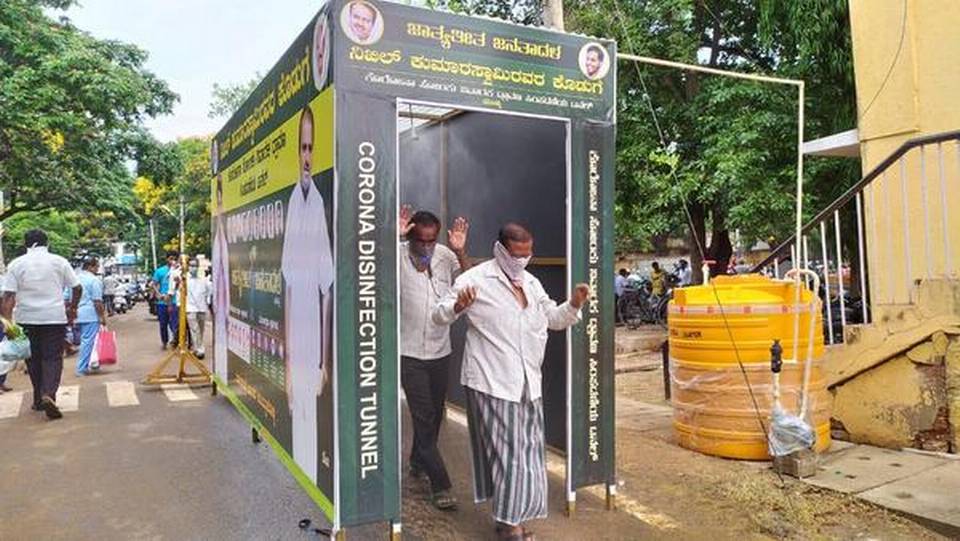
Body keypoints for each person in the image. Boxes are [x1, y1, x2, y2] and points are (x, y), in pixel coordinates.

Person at [433, 223, 589, 541]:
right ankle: (510, 528)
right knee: (511, 455)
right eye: (517, 254)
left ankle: (511, 516)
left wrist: (573, 304)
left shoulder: (531, 283)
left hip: (528, 381)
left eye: (528, 253)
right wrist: (458, 307)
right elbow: (439, 314)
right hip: (491, 380)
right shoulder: (475, 279)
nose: (523, 259)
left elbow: (554, 319)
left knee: (530, 452)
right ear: (501, 250)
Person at [398, 205, 470, 511]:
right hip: (409, 352)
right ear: (412, 235)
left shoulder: (445, 255)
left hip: (440, 352)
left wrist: (461, 251)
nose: (427, 246)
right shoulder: (397, 255)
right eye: (421, 240)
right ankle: (440, 485)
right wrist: (393, 238)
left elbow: (469, 281)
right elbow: (367, 269)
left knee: (434, 415)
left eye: (432, 240)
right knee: (423, 416)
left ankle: (417, 460)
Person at [281, 105, 334, 484]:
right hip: (295, 338)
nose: (306, 157)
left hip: (314, 336)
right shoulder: (293, 204)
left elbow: (327, 289)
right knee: (293, 406)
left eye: (311, 148)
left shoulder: (317, 204)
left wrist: (323, 362)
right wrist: (286, 362)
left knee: (309, 415)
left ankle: (311, 477)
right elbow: (287, 282)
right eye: (302, 147)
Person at [0, 229, 81, 420]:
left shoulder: (16, 264)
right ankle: (48, 394)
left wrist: (8, 322)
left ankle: (38, 399)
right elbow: (77, 287)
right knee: (52, 357)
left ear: (25, 244)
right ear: (47, 243)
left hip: (26, 318)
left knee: (33, 358)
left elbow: (8, 296)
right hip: (54, 317)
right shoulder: (59, 261)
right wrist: (73, 309)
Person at [74, 257, 107, 376]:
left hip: (76, 313)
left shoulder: (74, 278)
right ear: (90, 267)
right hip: (90, 315)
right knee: (87, 341)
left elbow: (67, 297)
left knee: (83, 340)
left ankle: (92, 363)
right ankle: (81, 368)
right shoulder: (94, 280)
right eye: (96, 266)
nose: (97, 269)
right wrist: (102, 317)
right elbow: (97, 301)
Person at [212, 175, 230, 381]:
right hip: (220, 309)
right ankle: (222, 377)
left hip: (224, 310)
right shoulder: (218, 238)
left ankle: (223, 376)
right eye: (217, 202)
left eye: (221, 201)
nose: (219, 207)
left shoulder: (225, 237)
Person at [151, 251, 180, 349]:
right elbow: (154, 284)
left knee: (175, 324)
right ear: (167, 259)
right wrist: (158, 294)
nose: (173, 261)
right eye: (171, 258)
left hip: (175, 301)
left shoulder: (179, 271)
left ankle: (175, 341)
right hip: (162, 302)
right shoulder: (160, 271)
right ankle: (164, 341)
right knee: (163, 324)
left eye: (175, 259)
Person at [185, 259, 212, 359]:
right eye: (191, 265)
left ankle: (196, 347)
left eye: (195, 265)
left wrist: (207, 302)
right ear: (188, 266)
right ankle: (200, 350)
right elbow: (180, 292)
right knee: (194, 329)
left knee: (201, 329)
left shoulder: (203, 279)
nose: (193, 268)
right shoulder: (184, 279)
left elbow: (209, 291)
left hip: (201, 307)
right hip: (190, 307)